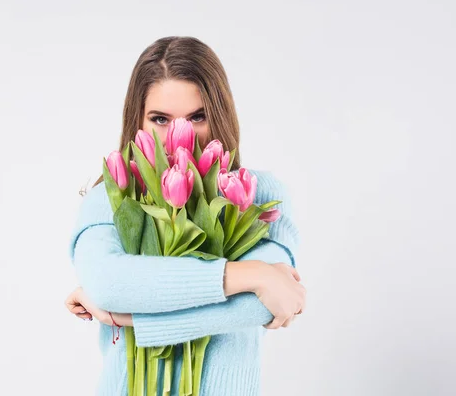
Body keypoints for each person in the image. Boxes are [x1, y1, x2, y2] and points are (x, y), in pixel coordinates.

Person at [64, 36, 306, 396]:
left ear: (220, 114)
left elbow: (265, 304)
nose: (180, 137)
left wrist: (129, 318)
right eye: (160, 119)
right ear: (138, 121)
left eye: (198, 117)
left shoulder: (261, 194)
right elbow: (109, 284)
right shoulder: (111, 197)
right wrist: (250, 274)